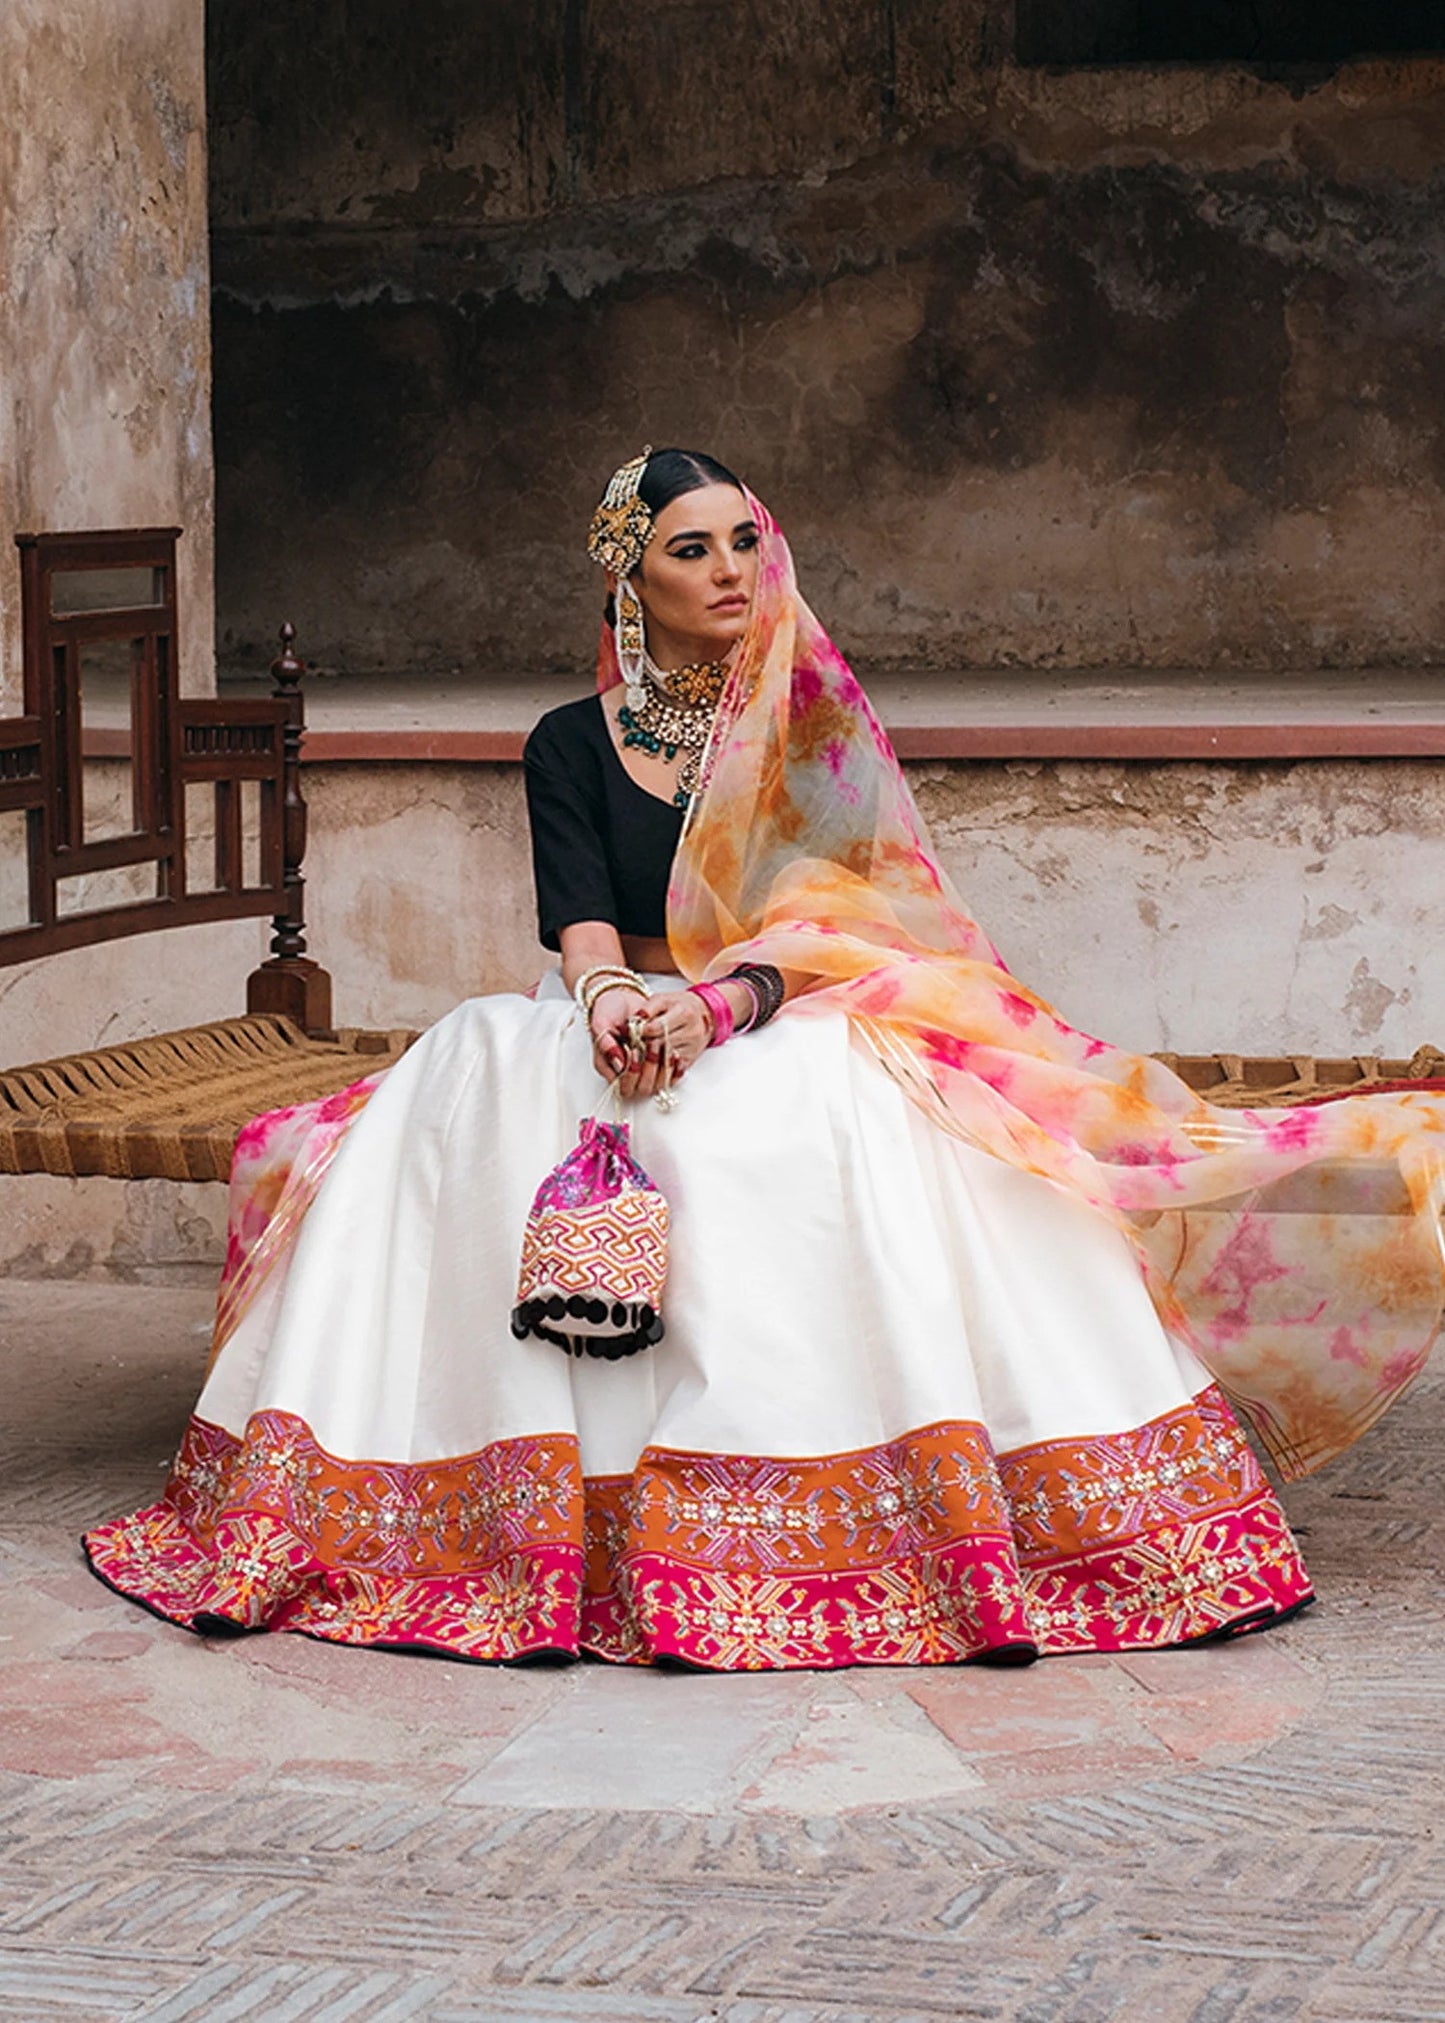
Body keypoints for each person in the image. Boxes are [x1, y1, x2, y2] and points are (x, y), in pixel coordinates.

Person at [84, 448, 1445, 1671]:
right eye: (690, 548)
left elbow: (858, 921)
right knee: (483, 1077)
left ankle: (904, 1498)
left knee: (809, 1107)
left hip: (789, 1005)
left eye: (744, 542)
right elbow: (578, 915)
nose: (730, 570)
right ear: (630, 576)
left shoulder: (802, 728)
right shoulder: (569, 739)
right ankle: (531, 1509)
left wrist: (726, 1004)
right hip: (622, 1004)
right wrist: (616, 999)